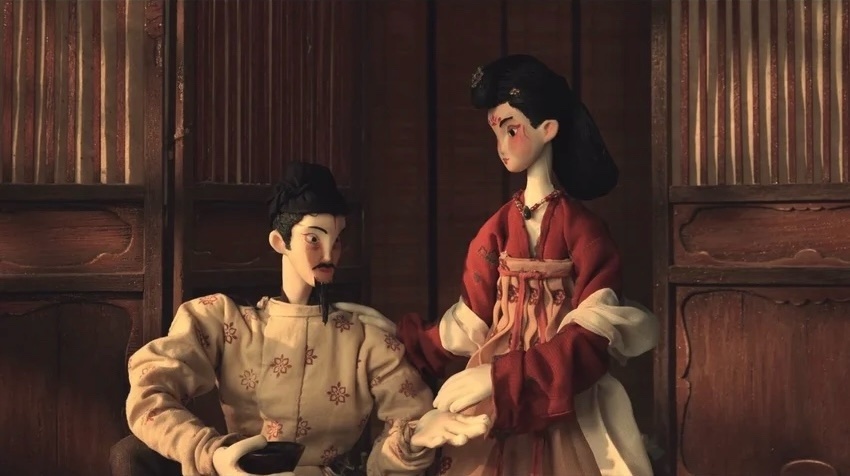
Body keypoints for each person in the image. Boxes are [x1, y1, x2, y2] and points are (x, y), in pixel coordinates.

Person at [361, 55, 659, 476]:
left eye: (511, 129)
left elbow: (591, 339)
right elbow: (471, 318)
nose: (501, 144)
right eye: (496, 131)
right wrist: (392, 339)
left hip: (564, 395)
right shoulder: (497, 229)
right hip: (494, 401)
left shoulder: (584, 230)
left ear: (548, 129)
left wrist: (497, 377)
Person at [110, 162, 490, 476]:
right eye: (314, 239)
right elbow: (149, 390)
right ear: (280, 241)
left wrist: (412, 440)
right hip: (240, 469)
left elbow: (405, 423)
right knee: (131, 454)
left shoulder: (365, 339)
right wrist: (212, 453)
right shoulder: (228, 322)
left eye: (337, 240)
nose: (329, 254)